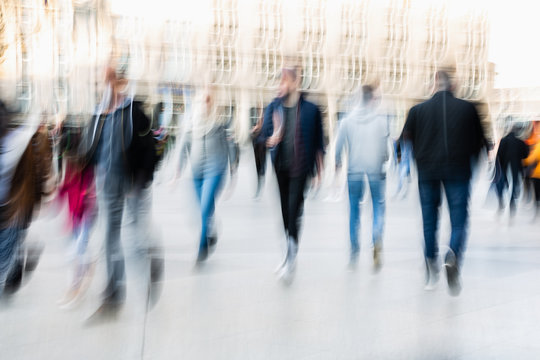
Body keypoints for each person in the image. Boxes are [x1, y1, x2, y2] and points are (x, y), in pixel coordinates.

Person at [86, 62, 163, 316]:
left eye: (111, 79)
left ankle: (151, 261)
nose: (106, 85)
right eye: (103, 80)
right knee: (109, 237)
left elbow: (151, 149)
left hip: (133, 183)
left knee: (136, 237)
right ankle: (112, 293)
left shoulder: (135, 111)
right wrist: (86, 178)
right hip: (107, 184)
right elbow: (91, 149)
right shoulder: (98, 114)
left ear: (120, 82)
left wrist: (140, 181)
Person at [401, 70, 487, 295]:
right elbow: (481, 142)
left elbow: (405, 140)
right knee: (459, 220)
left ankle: (431, 265)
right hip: (458, 171)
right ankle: (452, 255)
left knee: (429, 221)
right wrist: (472, 163)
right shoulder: (468, 109)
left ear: (434, 86)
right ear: (453, 86)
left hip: (428, 172)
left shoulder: (417, 111)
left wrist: (418, 158)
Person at [259, 67, 324, 282]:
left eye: (284, 82)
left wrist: (318, 169)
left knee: (295, 208)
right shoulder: (274, 107)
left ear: (296, 83)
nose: (281, 86)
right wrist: (270, 139)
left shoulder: (311, 110)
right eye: (280, 82)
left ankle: (290, 256)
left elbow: (318, 141)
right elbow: (263, 136)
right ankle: (290, 250)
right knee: (286, 213)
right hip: (280, 168)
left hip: (301, 168)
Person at [177, 86, 238, 263]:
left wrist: (233, 170)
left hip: (215, 169)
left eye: (208, 99)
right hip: (196, 171)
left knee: (204, 208)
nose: (205, 103)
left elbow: (231, 145)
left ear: (213, 102)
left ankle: (202, 247)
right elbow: (184, 143)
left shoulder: (220, 120)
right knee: (203, 210)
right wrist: (178, 168)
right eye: (202, 99)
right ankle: (210, 230)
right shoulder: (192, 120)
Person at [335, 85, 388, 270]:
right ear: (371, 99)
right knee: (378, 206)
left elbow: (339, 144)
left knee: (354, 210)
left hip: (354, 171)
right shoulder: (380, 120)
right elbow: (384, 148)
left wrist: (337, 163)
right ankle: (376, 238)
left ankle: (354, 249)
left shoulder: (347, 120)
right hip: (375, 170)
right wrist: (384, 159)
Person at [0, 105, 52, 296]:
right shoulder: (18, 139)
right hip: (11, 204)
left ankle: (17, 266)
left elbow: (40, 168)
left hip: (18, 203)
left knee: (12, 240)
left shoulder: (24, 141)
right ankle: (19, 261)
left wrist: (40, 193)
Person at [494, 122, 529, 217]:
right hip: (516, 166)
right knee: (515, 183)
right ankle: (512, 201)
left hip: (504, 166)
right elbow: (525, 155)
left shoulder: (503, 140)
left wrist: (499, 166)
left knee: (504, 182)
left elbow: (499, 155)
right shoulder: (521, 142)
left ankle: (501, 200)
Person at [251, 108, 267, 198]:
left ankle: (262, 176)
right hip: (256, 141)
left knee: (262, 161)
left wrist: (258, 127)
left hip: (262, 141)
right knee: (257, 163)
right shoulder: (253, 112)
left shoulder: (266, 110)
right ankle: (259, 180)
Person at [523, 139, 540, 217]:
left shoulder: (538, 146)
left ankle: (537, 210)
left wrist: (524, 161)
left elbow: (532, 159)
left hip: (537, 174)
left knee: (537, 194)